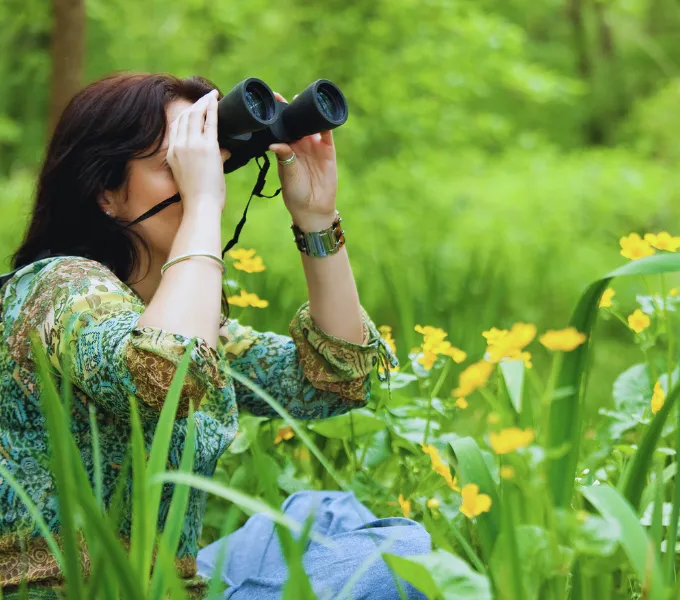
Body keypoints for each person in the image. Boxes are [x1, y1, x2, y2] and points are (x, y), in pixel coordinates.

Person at [0, 72, 429, 599]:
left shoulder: (185, 317)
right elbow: (165, 370)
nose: (211, 182)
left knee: (325, 511)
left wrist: (317, 219)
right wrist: (201, 204)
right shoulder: (57, 287)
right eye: (175, 166)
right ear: (106, 192)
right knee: (399, 555)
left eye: (210, 164)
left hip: (173, 583)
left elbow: (337, 381)